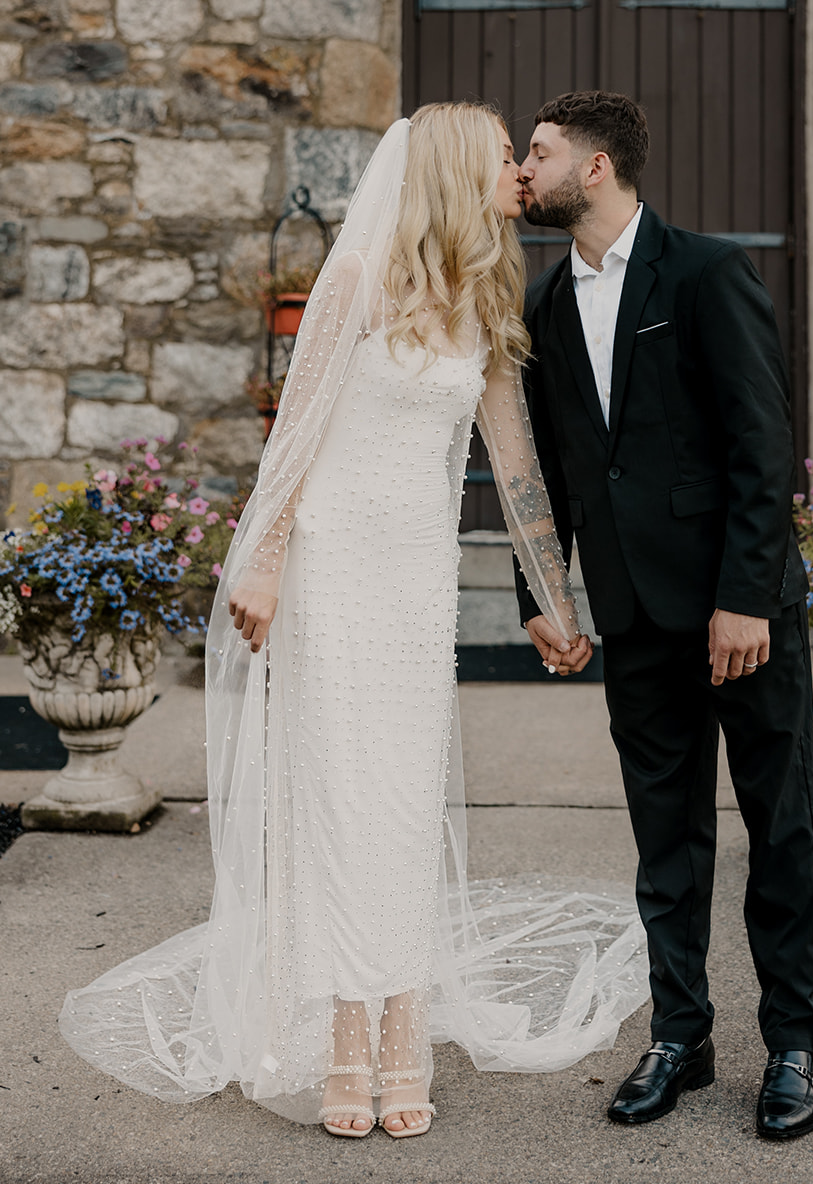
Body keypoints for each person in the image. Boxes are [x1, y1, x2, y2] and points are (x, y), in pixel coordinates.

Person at [59, 103, 648, 1139]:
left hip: (414, 581)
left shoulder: (485, 299)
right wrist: (267, 557)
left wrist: (555, 602)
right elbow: (296, 432)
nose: (519, 171)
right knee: (331, 798)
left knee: (402, 800)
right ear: (457, 171)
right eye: (505, 157)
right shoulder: (358, 280)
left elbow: (511, 465)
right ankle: (342, 1037)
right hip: (331, 570)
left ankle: (404, 1031)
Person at [515, 90, 813, 1142]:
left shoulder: (703, 270)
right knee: (665, 838)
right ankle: (679, 1035)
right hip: (634, 616)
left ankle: (791, 1043)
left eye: (539, 151)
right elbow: (550, 473)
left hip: (739, 612)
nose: (524, 166)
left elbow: (760, 444)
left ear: (594, 167)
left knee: (778, 827)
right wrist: (542, 596)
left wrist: (745, 595)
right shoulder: (546, 306)